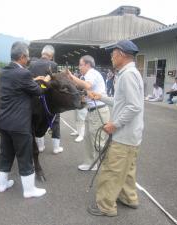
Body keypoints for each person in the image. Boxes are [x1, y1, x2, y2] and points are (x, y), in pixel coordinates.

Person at [86, 40, 144, 217]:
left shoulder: (127, 75)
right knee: (127, 169)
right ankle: (129, 198)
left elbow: (133, 106)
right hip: (132, 135)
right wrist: (101, 97)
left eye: (113, 54)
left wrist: (114, 124)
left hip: (124, 135)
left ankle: (105, 206)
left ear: (121, 54)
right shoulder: (130, 73)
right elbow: (122, 102)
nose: (111, 57)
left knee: (112, 170)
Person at [0, 42, 49, 198]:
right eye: (27, 57)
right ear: (22, 57)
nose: (28, 60)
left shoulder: (4, 72)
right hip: (19, 124)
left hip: (4, 122)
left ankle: (2, 185)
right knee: (25, 156)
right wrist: (44, 81)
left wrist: (34, 78)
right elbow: (38, 91)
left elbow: (21, 83)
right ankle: (29, 190)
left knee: (5, 154)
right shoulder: (24, 74)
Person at [68, 55, 110, 171]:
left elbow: (87, 86)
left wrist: (71, 76)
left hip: (98, 110)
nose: (79, 67)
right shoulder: (88, 75)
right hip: (92, 110)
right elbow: (87, 90)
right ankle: (90, 163)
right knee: (88, 138)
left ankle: (109, 167)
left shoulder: (91, 73)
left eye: (81, 65)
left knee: (98, 141)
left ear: (87, 65)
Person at [28, 45, 63, 154]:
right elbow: (56, 84)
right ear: (51, 55)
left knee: (37, 122)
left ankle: (40, 146)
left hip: (34, 100)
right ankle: (56, 148)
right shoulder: (53, 65)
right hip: (50, 101)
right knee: (55, 121)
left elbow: (28, 80)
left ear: (42, 53)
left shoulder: (32, 64)